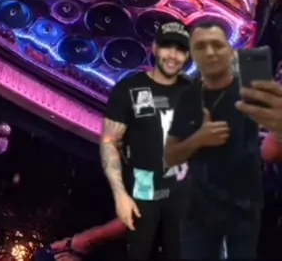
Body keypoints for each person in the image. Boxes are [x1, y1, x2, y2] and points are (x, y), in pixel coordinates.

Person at [165, 20, 263, 260]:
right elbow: (170, 156)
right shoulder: (189, 97)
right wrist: (199, 139)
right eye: (201, 47)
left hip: (244, 205)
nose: (210, 53)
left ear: (231, 52)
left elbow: (271, 147)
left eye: (217, 45)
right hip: (200, 206)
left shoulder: (253, 87)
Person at [99, 19, 191, 260]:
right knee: (138, 252)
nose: (173, 56)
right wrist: (120, 195)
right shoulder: (129, 89)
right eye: (167, 47)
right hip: (143, 189)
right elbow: (109, 143)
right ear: (155, 47)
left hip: (182, 192)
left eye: (180, 49)